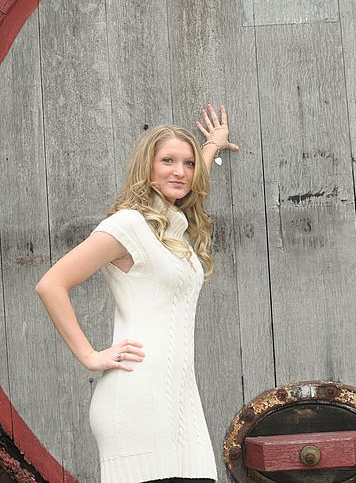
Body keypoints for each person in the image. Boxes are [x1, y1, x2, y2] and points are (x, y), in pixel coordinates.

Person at [35, 103, 239, 483]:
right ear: (148, 167)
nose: (180, 171)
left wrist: (211, 145)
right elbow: (51, 284)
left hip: (180, 404)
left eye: (188, 163)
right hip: (138, 401)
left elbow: (189, 182)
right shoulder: (127, 225)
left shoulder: (173, 227)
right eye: (168, 161)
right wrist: (90, 355)